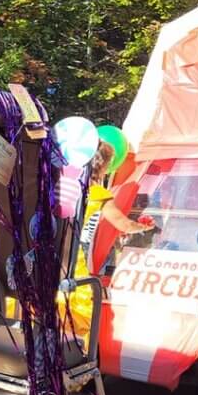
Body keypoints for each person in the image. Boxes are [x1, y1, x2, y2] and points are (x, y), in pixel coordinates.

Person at [64, 140, 152, 346]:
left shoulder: (66, 182)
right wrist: (144, 227)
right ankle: (77, 350)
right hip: (76, 255)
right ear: (103, 164)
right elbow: (123, 224)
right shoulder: (98, 193)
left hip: (58, 248)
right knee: (80, 303)